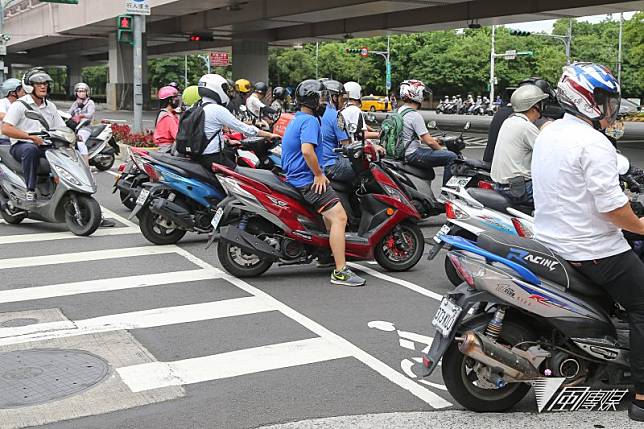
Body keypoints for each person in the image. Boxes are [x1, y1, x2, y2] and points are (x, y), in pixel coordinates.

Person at [531, 62, 644, 422]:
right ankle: (642, 397)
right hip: (593, 249)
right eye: (605, 99)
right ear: (585, 99)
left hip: (553, 239)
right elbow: (613, 210)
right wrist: (640, 224)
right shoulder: (593, 142)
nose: (610, 108)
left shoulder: (549, 132)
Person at [281, 79, 365, 287]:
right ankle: (340, 271)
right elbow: (307, 151)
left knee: (330, 217)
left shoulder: (297, 118)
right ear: (311, 99)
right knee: (340, 217)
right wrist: (318, 175)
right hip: (306, 179)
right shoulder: (310, 121)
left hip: (296, 177)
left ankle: (328, 255)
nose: (323, 102)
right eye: (320, 98)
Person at [2, 68, 66, 204]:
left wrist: (73, 136)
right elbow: (6, 129)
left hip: (45, 144)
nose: (43, 86)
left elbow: (61, 127)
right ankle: (30, 190)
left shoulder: (50, 106)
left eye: (45, 83)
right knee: (30, 150)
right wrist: (30, 137)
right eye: (38, 83)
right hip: (21, 145)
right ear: (29, 86)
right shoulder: (19, 105)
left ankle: (66, 189)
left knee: (67, 154)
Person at [195, 73, 279, 170]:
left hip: (199, 154)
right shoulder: (216, 109)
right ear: (216, 89)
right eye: (224, 89)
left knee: (231, 154)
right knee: (241, 175)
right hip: (212, 157)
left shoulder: (197, 106)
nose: (227, 93)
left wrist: (228, 141)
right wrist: (269, 135)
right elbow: (245, 129)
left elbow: (207, 131)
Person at [490, 84, 548, 205]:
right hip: (520, 189)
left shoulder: (509, 121)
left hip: (501, 186)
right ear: (534, 107)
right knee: (559, 198)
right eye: (541, 104)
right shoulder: (526, 127)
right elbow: (547, 153)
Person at [398, 79, 457, 185]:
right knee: (451, 157)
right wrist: (441, 150)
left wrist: (435, 140)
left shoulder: (399, 111)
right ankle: (447, 193)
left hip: (401, 152)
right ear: (416, 93)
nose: (423, 97)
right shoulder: (414, 115)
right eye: (422, 94)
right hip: (412, 154)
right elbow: (429, 142)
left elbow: (411, 135)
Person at [319, 80, 352, 183]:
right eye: (342, 98)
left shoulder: (315, 113)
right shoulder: (336, 116)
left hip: (318, 163)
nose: (343, 102)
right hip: (330, 164)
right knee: (365, 171)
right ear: (334, 98)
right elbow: (347, 145)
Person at [68, 82, 95, 164]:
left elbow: (90, 114)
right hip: (75, 127)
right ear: (76, 93)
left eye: (83, 91)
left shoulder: (90, 103)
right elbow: (69, 112)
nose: (81, 93)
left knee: (80, 142)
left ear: (87, 92)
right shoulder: (75, 103)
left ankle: (86, 165)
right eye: (79, 91)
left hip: (85, 127)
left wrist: (81, 116)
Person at [0, 78, 26, 145]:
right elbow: (2, 116)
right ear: (12, 92)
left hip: (20, 138)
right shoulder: (2, 102)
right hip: (4, 140)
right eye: (21, 90)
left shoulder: (21, 104)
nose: (24, 93)